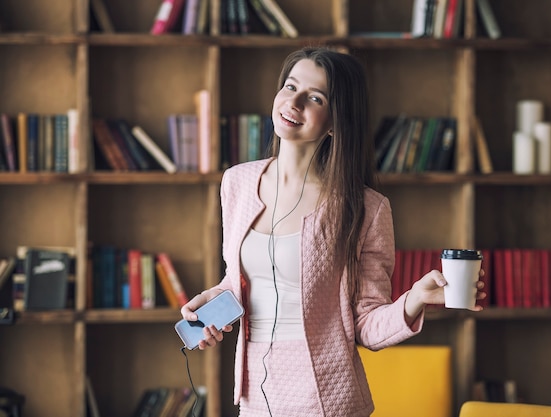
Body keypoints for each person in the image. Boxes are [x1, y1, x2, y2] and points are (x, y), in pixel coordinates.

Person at [180, 46, 486, 417]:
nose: (294, 102)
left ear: (335, 121)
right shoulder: (237, 183)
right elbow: (241, 280)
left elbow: (366, 325)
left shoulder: (366, 209)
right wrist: (211, 307)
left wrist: (414, 300)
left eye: (314, 97)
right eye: (290, 87)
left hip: (326, 399)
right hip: (255, 396)